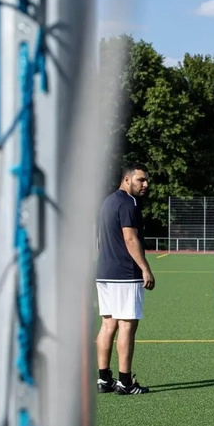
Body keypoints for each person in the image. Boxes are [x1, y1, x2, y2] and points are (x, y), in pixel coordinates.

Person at [95, 163, 155, 395]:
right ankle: (125, 383)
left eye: (146, 180)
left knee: (108, 325)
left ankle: (104, 379)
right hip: (125, 274)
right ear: (127, 180)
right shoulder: (129, 203)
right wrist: (145, 269)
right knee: (127, 326)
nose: (145, 185)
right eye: (141, 180)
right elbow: (130, 239)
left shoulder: (108, 201)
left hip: (105, 272)